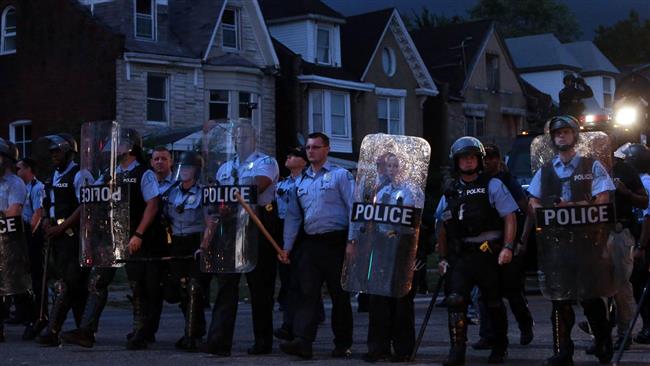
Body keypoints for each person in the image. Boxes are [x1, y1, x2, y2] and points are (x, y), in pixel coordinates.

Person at [527, 115, 616, 365]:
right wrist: (543, 209)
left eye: (566, 132)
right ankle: (563, 350)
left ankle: (603, 342)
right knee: (560, 298)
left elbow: (603, 198)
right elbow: (532, 200)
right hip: (557, 243)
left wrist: (579, 205)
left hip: (587, 241)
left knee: (590, 296)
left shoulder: (591, 166)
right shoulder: (545, 171)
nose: (561, 136)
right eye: (557, 134)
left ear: (574, 135)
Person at [202, 122, 280, 356]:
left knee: (260, 288)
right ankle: (219, 340)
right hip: (230, 228)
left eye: (245, 136)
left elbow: (256, 187)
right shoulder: (225, 167)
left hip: (257, 226)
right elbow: (214, 198)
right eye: (236, 137)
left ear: (254, 139)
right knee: (226, 285)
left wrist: (226, 196)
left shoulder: (266, 162)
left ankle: (263, 341)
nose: (240, 140)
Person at [436, 136, 516, 365]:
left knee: (493, 302)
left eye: (472, 157)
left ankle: (500, 347)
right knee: (455, 299)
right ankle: (457, 350)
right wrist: (442, 257)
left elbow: (509, 217)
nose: (468, 162)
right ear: (457, 162)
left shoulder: (493, 185)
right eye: (464, 158)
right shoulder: (450, 192)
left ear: (479, 160)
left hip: (488, 253)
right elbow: (442, 225)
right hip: (461, 254)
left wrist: (508, 247)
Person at [279, 132, 354, 360]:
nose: (311, 151)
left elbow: (355, 210)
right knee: (307, 293)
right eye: (309, 147)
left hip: (336, 242)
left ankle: (342, 344)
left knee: (339, 295)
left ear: (327, 149)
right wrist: (287, 247)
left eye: (316, 147)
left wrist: (352, 242)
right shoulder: (300, 182)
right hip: (311, 243)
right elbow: (293, 217)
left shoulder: (341, 176)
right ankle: (303, 341)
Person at [358, 153, 422, 362]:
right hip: (381, 245)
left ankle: (403, 348)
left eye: (396, 166)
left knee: (401, 299)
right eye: (388, 166)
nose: (392, 169)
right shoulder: (382, 190)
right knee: (378, 298)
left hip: (403, 246)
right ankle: (378, 347)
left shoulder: (412, 191)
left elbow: (414, 220)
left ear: (404, 168)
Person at [472, 144, 534, 349]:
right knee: (484, 292)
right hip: (487, 246)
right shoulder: (480, 182)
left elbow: (527, 211)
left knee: (512, 290)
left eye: (491, 157)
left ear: (499, 159)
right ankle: (488, 334)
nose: (488, 161)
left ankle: (525, 325)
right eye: (485, 158)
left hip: (509, 242)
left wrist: (521, 241)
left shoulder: (507, 181)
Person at [36, 134, 92, 346]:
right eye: (52, 152)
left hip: (73, 238)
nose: (54, 155)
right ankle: (84, 331)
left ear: (69, 151)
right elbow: (47, 203)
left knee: (68, 284)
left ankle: (52, 330)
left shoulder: (80, 174)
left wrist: (62, 226)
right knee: (75, 286)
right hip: (56, 239)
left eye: (57, 151)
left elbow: (85, 205)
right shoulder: (53, 176)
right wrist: (45, 221)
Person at [163, 151, 206, 351]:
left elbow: (210, 221)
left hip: (195, 241)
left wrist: (204, 246)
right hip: (177, 242)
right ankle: (192, 329)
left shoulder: (203, 192)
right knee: (180, 290)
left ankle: (193, 334)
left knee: (194, 288)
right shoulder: (172, 192)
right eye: (182, 168)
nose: (183, 172)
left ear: (196, 171)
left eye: (188, 168)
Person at [274, 146, 309, 341]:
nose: (288, 157)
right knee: (287, 275)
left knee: (303, 276)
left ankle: (305, 316)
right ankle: (291, 315)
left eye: (294, 155)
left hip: (303, 229)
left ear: (303, 162)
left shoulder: (306, 181)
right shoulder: (282, 183)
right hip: (283, 227)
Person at [0, 139, 29, 342]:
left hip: (10, 240)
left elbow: (13, 213)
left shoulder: (15, 183)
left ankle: (33, 319)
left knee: (13, 285)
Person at [15, 158, 47, 340]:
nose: (16, 171)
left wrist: (29, 237)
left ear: (28, 169)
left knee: (36, 279)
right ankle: (26, 315)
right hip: (20, 234)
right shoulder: (23, 187)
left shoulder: (37, 188)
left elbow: (38, 213)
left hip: (31, 237)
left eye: (19, 168)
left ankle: (40, 316)